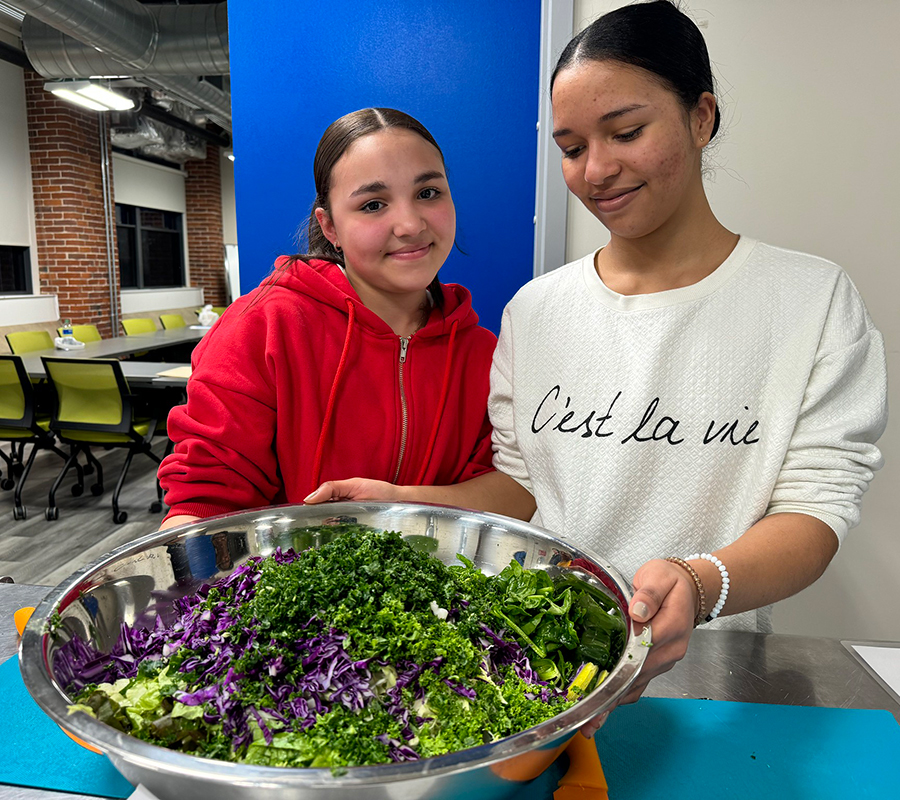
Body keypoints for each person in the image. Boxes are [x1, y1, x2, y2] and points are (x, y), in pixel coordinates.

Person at [305, 0, 888, 722]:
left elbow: (815, 510)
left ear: (701, 117)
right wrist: (401, 500)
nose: (597, 169)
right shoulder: (537, 310)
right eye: (573, 147)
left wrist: (698, 582)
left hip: (712, 673)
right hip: (531, 666)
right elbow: (521, 487)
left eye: (627, 131)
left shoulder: (810, 300)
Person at [157, 107, 499, 529]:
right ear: (330, 226)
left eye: (428, 193)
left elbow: (508, 489)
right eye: (373, 204)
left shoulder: (482, 352)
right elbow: (204, 501)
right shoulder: (262, 327)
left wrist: (391, 506)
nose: (410, 224)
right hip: (285, 583)